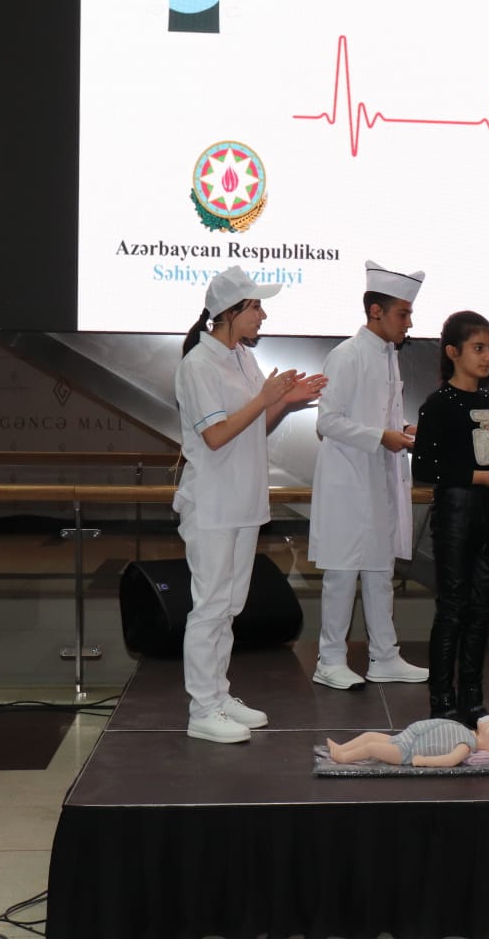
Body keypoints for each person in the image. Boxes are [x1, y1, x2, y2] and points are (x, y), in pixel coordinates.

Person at [174, 266, 327, 743]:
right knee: (211, 606)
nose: (263, 314)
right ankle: (202, 709)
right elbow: (216, 435)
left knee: (230, 604)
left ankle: (218, 696)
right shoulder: (198, 365)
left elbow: (252, 427)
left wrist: (284, 401)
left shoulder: (240, 357)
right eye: (255, 306)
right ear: (229, 312)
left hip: (242, 500)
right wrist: (265, 397)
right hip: (213, 503)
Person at [309, 261, 430, 690]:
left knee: (380, 573)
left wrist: (402, 432)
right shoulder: (346, 355)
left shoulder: (389, 358)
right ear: (375, 311)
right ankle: (330, 660)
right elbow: (328, 422)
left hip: (379, 479)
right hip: (346, 481)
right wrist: (381, 436)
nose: (409, 323)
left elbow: (383, 419)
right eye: (403, 313)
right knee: (342, 574)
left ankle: (384, 656)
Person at [410, 311, 489, 722]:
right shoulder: (438, 404)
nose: (487, 356)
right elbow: (425, 469)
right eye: (478, 348)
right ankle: (442, 698)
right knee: (453, 607)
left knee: (482, 606)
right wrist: (482, 477)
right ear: (453, 352)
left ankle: (472, 692)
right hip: (455, 512)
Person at [325, 714, 489, 768]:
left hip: (407, 752)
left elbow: (449, 760)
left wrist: (423, 761)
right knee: (369, 735)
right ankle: (342, 747)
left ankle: (344, 758)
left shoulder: (466, 745)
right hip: (404, 738)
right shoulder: (466, 732)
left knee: (371, 747)